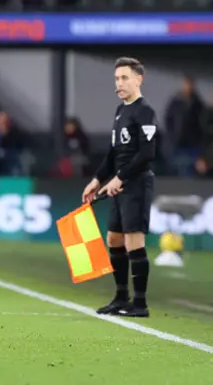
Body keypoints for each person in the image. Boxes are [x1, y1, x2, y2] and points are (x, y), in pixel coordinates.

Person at [81, 57, 158, 318]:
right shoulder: (120, 111)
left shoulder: (144, 111)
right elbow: (114, 153)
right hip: (118, 183)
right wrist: (97, 179)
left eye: (124, 78)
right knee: (113, 238)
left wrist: (121, 177)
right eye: (116, 79)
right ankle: (121, 297)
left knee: (133, 240)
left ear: (139, 79)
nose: (119, 84)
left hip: (136, 184)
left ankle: (140, 303)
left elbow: (147, 153)